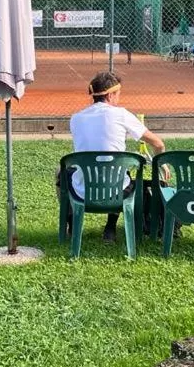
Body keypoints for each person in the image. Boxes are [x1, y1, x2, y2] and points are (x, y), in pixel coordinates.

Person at [65, 71, 166, 242]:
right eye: (118, 94)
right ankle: (110, 228)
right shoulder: (122, 114)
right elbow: (158, 143)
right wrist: (161, 164)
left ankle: (72, 224)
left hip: (83, 191)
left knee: (62, 174)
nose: (119, 98)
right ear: (111, 95)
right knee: (122, 175)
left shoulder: (76, 118)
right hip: (117, 192)